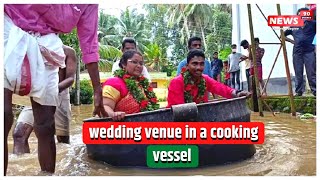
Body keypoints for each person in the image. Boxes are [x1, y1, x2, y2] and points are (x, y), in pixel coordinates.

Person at [4, 4, 107, 175]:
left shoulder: (68, 51)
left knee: (46, 125)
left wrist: (97, 89)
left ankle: (47, 175)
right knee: (5, 116)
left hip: (48, 55)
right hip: (7, 30)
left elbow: (88, 45)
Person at [12, 45, 76, 155]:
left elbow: (70, 78)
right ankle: (23, 169)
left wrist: (52, 90)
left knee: (63, 142)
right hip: (36, 94)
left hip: (59, 96)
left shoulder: (68, 51)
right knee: (19, 134)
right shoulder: (33, 46)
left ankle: (60, 168)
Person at [167, 49, 251, 107]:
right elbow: (178, 111)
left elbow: (221, 88)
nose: (199, 67)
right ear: (187, 66)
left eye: (201, 64)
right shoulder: (176, 82)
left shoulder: (204, 79)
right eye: (194, 64)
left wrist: (237, 93)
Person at [103, 50, 160, 121]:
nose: (139, 66)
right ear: (124, 64)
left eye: (141, 63)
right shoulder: (114, 83)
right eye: (134, 62)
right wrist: (113, 114)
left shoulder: (143, 85)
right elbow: (104, 106)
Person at [284, 7, 316, 96]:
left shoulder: (313, 24)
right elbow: (282, 35)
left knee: (311, 72)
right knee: (298, 72)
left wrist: (316, 44)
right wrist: (292, 41)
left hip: (309, 51)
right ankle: (299, 91)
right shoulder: (293, 26)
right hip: (297, 52)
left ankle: (315, 90)